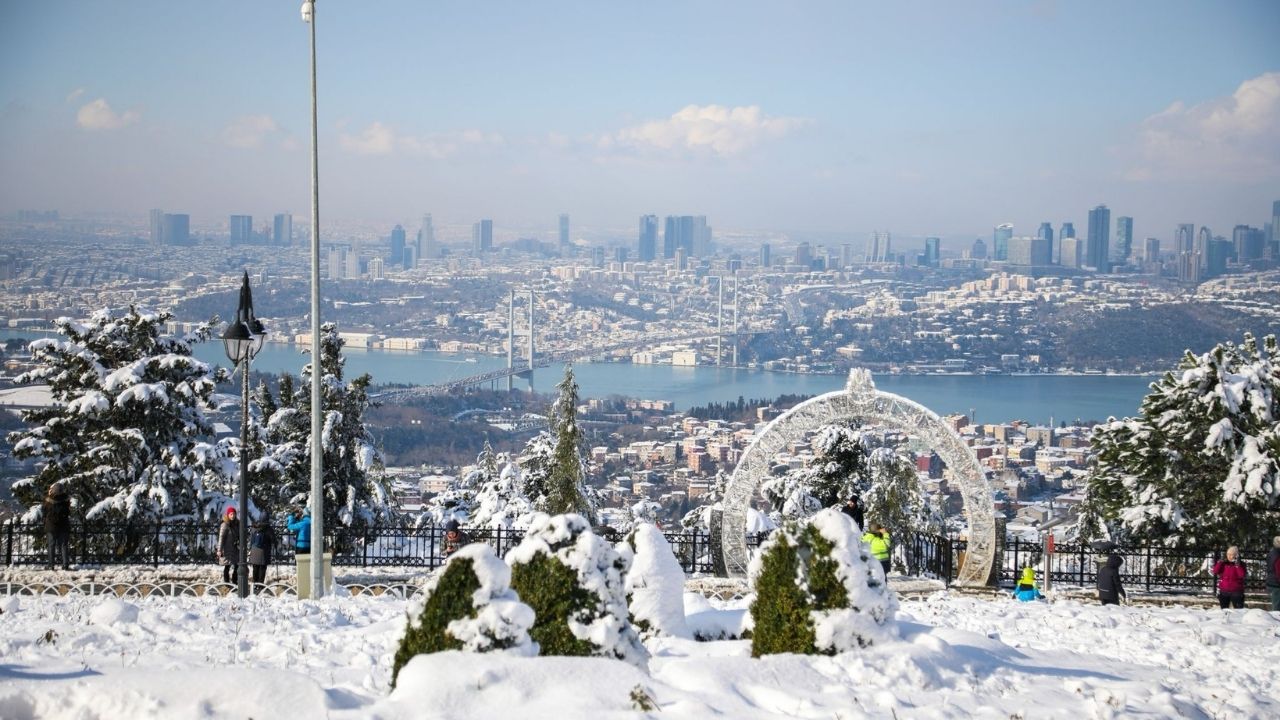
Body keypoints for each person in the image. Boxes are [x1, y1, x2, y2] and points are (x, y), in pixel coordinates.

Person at [42, 482, 72, 570]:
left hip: (51, 526)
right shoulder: (66, 500)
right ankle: (65, 564)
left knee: (51, 545)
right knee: (64, 545)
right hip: (64, 525)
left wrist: (49, 494)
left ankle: (51, 565)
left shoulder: (48, 500)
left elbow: (44, 510)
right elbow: (68, 512)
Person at [247, 518, 275, 588]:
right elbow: (273, 540)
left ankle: (255, 584)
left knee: (255, 567)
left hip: (254, 550)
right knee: (262, 568)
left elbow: (251, 539)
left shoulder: (254, 527)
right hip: (264, 550)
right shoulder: (268, 529)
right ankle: (260, 585)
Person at [217, 507, 239, 585]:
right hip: (227, 549)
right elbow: (221, 538)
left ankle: (234, 580)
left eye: (234, 514)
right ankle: (226, 582)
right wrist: (219, 549)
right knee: (227, 566)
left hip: (235, 548)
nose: (232, 516)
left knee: (237, 565)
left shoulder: (237, 524)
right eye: (231, 514)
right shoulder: (224, 525)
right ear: (228, 515)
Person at [1266, 535, 1280, 613]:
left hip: (1272, 581)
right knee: (1277, 608)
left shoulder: (1271, 553)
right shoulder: (1278, 554)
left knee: (1276, 605)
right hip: (1277, 584)